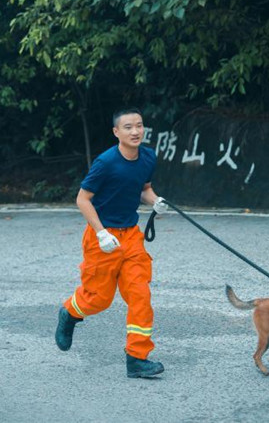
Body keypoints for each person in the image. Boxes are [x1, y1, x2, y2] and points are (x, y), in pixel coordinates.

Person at [55, 107, 170, 378]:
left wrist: (156, 201)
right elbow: (83, 199)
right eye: (128, 127)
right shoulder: (105, 163)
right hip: (103, 238)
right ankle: (69, 312)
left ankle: (137, 358)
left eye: (139, 125)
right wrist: (101, 232)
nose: (135, 131)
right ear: (116, 132)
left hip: (131, 237)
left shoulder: (148, 157)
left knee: (140, 296)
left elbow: (144, 188)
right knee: (98, 300)